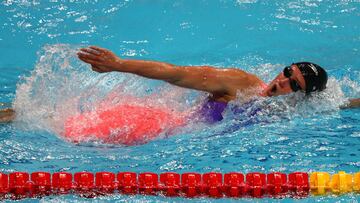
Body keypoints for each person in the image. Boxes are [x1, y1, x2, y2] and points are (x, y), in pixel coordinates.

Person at [1, 46, 359, 144]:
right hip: (156, 128)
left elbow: (338, 104)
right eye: (286, 73)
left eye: (294, 85)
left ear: (302, 96)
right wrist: (119, 64)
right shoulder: (240, 84)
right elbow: (177, 73)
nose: (282, 83)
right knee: (62, 129)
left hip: (168, 132)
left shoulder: (292, 111)